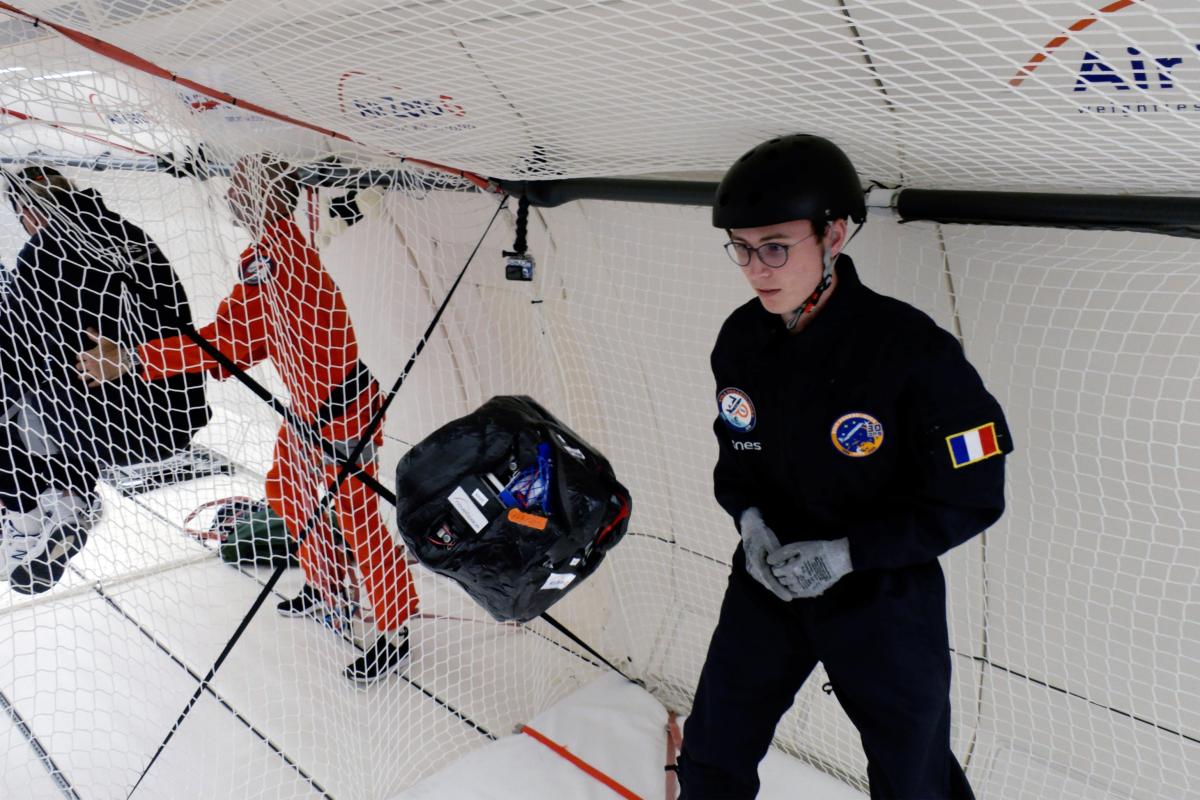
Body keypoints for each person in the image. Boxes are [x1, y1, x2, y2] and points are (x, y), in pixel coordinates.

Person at [677, 135, 1013, 799]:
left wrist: (848, 555)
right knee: (713, 745)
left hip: (880, 594)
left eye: (775, 247)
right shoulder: (741, 340)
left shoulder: (914, 352)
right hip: (768, 582)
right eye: (741, 248)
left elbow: (974, 494)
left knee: (912, 773)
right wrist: (747, 520)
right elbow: (736, 453)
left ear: (833, 233)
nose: (755, 269)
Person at [79, 154, 418, 683]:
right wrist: (145, 356)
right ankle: (329, 589)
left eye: (242, 182)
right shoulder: (261, 257)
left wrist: (133, 359)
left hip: (345, 415)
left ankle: (395, 631)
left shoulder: (281, 253)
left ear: (265, 193)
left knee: (358, 521)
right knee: (285, 492)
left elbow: (226, 345)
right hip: (310, 413)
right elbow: (237, 341)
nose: (231, 190)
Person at [0, 166, 209, 594]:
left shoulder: (43, 256)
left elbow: (13, 354)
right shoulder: (130, 236)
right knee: (54, 379)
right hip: (171, 414)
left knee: (14, 405)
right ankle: (67, 500)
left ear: (28, 212)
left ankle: (26, 517)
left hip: (108, 427)